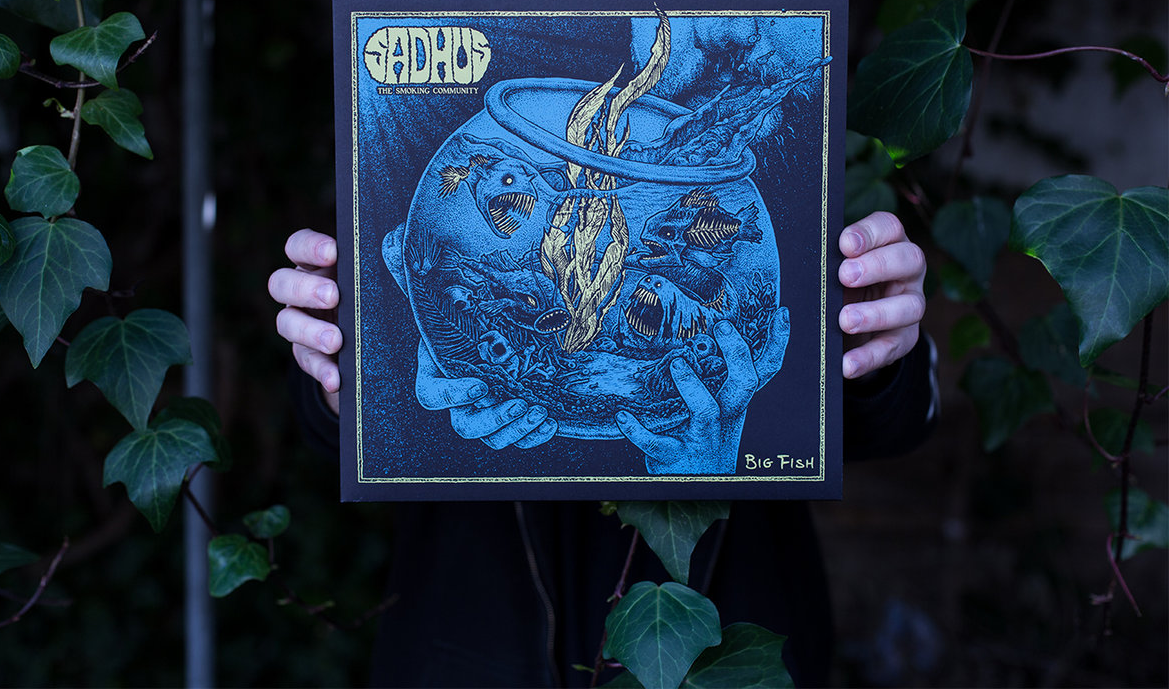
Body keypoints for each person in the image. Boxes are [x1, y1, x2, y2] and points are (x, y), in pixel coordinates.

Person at [268, 209, 936, 687]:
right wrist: (349, 375)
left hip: (725, 639)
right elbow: (335, 422)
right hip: (468, 643)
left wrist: (874, 350)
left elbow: (882, 420)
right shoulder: (440, 233)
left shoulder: (771, 202)